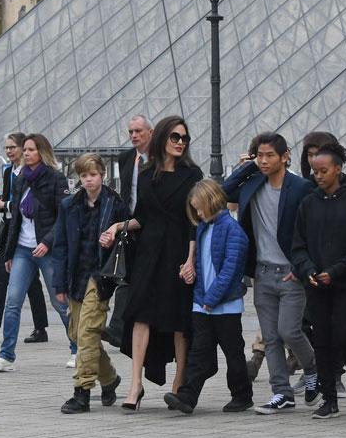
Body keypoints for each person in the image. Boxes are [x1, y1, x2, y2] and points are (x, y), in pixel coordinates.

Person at [100, 115, 201, 410]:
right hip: (148, 253)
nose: (181, 142)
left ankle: (178, 384)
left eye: (184, 138)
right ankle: (135, 385)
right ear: (162, 139)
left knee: (179, 321)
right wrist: (118, 227)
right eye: (175, 137)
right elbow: (141, 217)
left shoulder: (192, 175)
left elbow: (195, 221)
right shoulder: (146, 175)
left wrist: (191, 259)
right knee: (141, 315)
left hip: (178, 252)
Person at [223, 131, 320, 414]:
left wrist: (304, 268)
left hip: (291, 272)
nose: (264, 161)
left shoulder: (301, 187)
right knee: (270, 336)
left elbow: (313, 230)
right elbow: (224, 192)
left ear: (284, 156)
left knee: (289, 330)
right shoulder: (251, 184)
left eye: (269, 156)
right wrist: (247, 167)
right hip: (262, 272)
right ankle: (282, 392)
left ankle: (313, 370)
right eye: (259, 156)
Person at [163, 179, 254, 415]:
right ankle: (187, 397)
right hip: (204, 303)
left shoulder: (233, 231)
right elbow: (205, 267)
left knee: (233, 353)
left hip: (225, 306)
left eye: (200, 207)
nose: (198, 213)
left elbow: (229, 271)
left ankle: (242, 395)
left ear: (212, 202)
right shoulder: (205, 227)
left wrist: (210, 297)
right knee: (198, 352)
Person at [0, 133, 75, 372]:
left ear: (42, 152)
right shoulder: (21, 179)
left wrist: (47, 242)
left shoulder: (56, 179)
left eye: (30, 150)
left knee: (61, 304)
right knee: (13, 302)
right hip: (23, 250)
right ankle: (6, 356)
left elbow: (62, 217)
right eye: (24, 149)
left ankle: (78, 349)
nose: (26, 153)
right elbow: (15, 218)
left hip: (47, 250)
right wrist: (9, 253)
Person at [290, 141, 346, 419]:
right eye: (314, 171)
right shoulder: (308, 204)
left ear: (338, 169)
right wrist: (307, 269)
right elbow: (297, 245)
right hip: (315, 283)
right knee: (321, 338)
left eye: (323, 171)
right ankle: (329, 397)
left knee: (343, 334)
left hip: (345, 282)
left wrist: (335, 271)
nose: (318, 176)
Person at [53, 154, 127, 413]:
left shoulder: (115, 204)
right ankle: (109, 379)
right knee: (78, 333)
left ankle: (81, 391)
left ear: (102, 174)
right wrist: (58, 285)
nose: (88, 180)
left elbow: (128, 238)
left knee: (86, 333)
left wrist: (115, 235)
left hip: (100, 277)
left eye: (92, 175)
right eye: (83, 176)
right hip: (76, 277)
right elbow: (60, 246)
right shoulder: (69, 205)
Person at [0, 133, 49, 345]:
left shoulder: (30, 172)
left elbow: (29, 205)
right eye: (6, 148)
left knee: (32, 283)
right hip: (11, 233)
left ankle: (40, 328)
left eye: (13, 147)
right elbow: (9, 201)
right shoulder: (9, 172)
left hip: (28, 234)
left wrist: (3, 205)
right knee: (1, 280)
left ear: (24, 148)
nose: (9, 151)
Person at [104, 115, 150, 349]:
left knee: (135, 280)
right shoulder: (126, 158)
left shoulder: (160, 160)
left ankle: (122, 328)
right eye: (130, 131)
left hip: (152, 226)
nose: (133, 135)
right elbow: (125, 193)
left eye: (138, 131)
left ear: (150, 133)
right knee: (124, 277)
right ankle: (117, 329)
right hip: (130, 225)